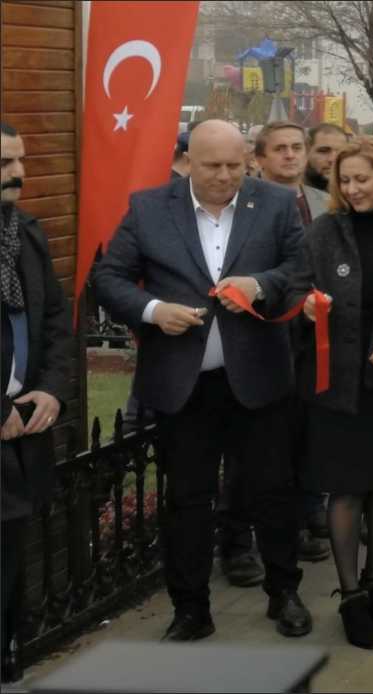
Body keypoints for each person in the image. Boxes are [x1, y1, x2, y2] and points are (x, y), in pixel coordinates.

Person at [93, 119, 312, 642]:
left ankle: (285, 592)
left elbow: (300, 272)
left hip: (258, 378)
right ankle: (191, 608)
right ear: (187, 162)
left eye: (235, 165)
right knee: (188, 501)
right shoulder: (149, 208)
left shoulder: (276, 205)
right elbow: (107, 277)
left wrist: (261, 285)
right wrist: (152, 310)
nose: (224, 176)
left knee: (273, 494)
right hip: (183, 384)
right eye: (212, 165)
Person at [285, 136, 373, 649]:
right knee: (346, 488)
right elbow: (298, 285)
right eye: (345, 180)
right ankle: (350, 597)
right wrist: (304, 306)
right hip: (338, 381)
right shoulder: (322, 231)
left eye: (363, 178)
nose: (353, 188)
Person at [0, 122, 73, 684]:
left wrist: (48, 387)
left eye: (19, 160)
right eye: (4, 164)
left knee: (11, 544)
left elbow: (52, 317)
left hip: (25, 421)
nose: (18, 174)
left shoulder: (26, 232)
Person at [253, 120, 334, 564]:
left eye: (296, 147)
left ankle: (309, 512)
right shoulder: (248, 202)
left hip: (316, 337)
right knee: (269, 442)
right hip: (267, 331)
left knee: (310, 431)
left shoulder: (325, 202)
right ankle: (253, 532)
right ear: (260, 158)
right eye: (279, 149)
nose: (290, 155)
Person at [306, 123, 351, 193]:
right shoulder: (292, 195)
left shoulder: (354, 195)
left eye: (341, 152)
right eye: (324, 151)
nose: (333, 159)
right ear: (306, 152)